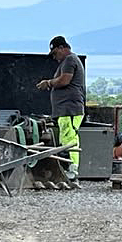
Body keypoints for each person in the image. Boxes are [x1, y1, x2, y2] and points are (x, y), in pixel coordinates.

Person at [37, 35, 85, 179]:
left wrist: (49, 83)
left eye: (55, 53)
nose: (54, 57)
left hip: (70, 108)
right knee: (66, 137)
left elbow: (65, 80)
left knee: (70, 138)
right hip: (64, 109)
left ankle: (73, 168)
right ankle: (67, 167)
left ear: (61, 48)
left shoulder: (70, 60)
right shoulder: (68, 60)